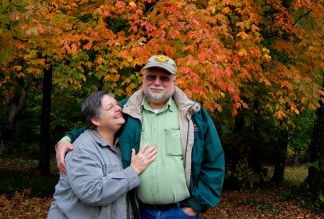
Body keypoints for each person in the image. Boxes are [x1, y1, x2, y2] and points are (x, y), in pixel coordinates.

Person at [56, 55, 225, 218]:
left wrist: (196, 205)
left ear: (174, 81)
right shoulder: (127, 110)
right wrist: (66, 139)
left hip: (180, 212)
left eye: (164, 78)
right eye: (151, 76)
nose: (157, 82)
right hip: (139, 211)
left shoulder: (193, 114)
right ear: (143, 77)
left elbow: (214, 160)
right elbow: (97, 125)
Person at [48, 90, 157, 219]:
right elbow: (92, 192)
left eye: (116, 104)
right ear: (95, 120)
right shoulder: (82, 150)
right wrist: (133, 170)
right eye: (111, 107)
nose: (118, 108)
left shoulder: (119, 146)